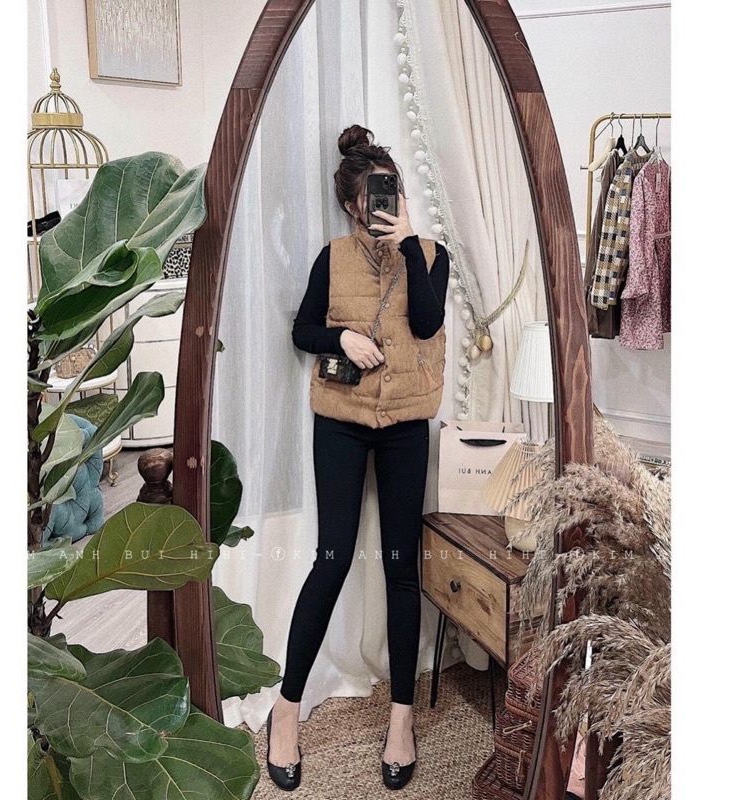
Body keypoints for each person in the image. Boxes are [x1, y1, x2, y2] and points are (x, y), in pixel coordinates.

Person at [265, 124, 449, 791]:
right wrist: (340, 336)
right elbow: (301, 332)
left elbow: (426, 323)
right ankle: (286, 712)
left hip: (406, 424)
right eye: (373, 196)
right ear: (350, 204)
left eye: (392, 192)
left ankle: (401, 720)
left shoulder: (431, 255)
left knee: (402, 567)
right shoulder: (332, 258)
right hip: (341, 422)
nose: (384, 204)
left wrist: (410, 245)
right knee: (333, 559)